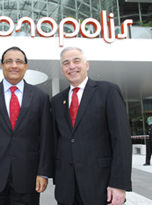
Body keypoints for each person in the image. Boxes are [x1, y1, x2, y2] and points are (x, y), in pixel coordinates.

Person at [51, 46, 132, 205]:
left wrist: (119, 184)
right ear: (62, 69)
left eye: (76, 61)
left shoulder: (108, 91)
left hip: (100, 186)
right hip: (66, 188)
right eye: (66, 63)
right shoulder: (57, 101)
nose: (72, 66)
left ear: (86, 65)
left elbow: (121, 140)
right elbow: (55, 142)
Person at [0, 46, 53, 205]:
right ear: (2, 65)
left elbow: (46, 137)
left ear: (26, 66)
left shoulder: (41, 97)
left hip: (28, 176)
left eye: (19, 61)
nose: (14, 65)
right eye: (9, 61)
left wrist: (43, 172)